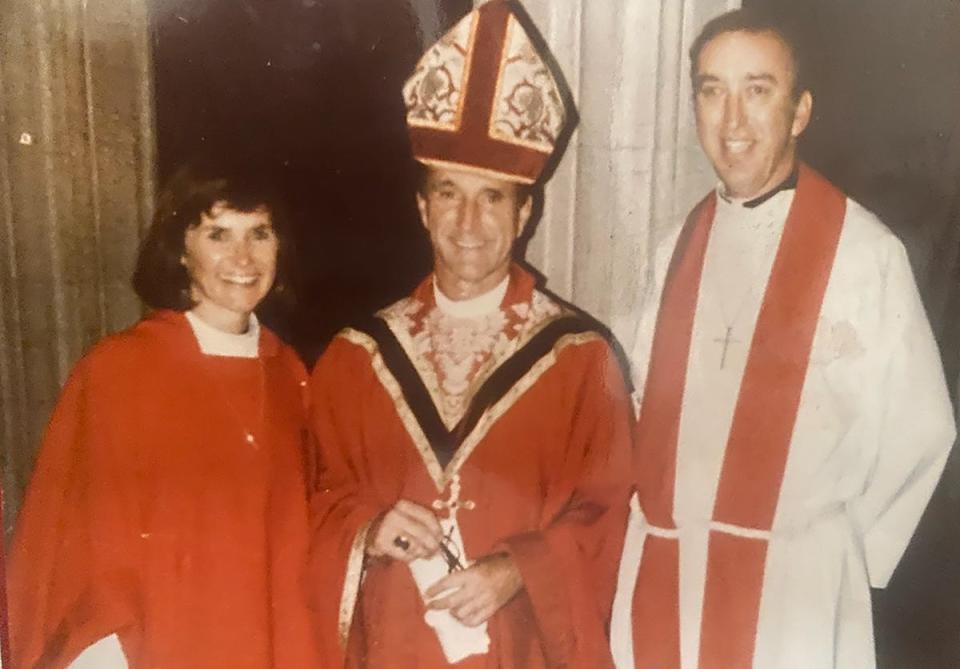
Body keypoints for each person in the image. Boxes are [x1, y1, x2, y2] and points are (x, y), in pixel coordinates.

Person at [610, 8, 957, 669]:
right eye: (713, 91)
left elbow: (923, 427)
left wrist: (838, 553)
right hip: (667, 579)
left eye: (757, 90)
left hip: (795, 593)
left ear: (799, 112)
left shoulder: (863, 253)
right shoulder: (673, 249)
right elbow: (643, 406)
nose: (731, 121)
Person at [307, 1, 634, 666]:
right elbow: (312, 499)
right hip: (393, 645)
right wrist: (365, 530)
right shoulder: (355, 358)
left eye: (492, 197)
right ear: (422, 208)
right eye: (449, 193)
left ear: (525, 212)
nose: (468, 220)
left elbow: (607, 515)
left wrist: (517, 570)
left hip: (518, 646)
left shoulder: (580, 362)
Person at [7, 163, 320, 668]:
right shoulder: (119, 370)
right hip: (159, 645)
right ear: (180, 249)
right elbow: (78, 548)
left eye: (259, 233)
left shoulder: (290, 375)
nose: (243, 257)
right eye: (218, 234)